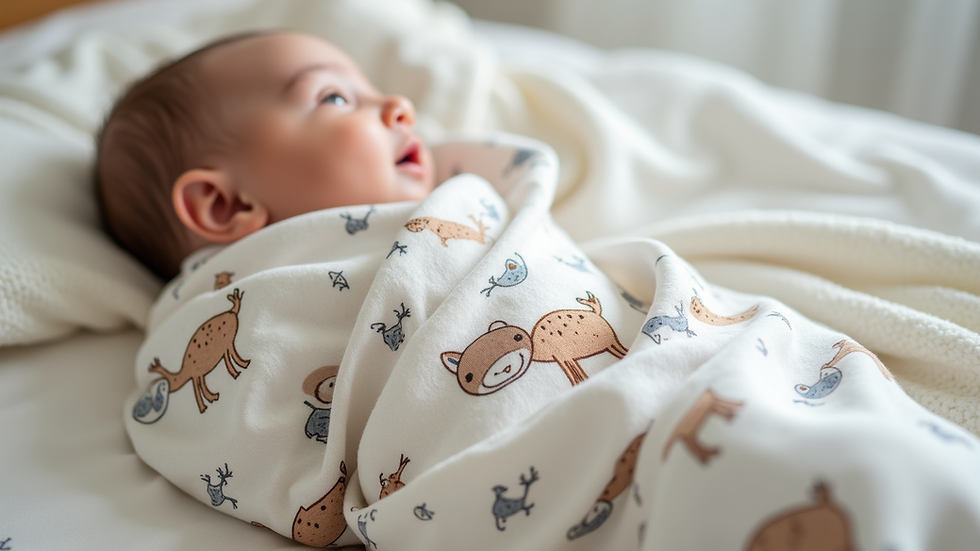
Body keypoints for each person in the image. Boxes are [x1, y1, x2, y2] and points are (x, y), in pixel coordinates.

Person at [95, 30, 436, 280]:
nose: (399, 105)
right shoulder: (270, 318)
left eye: (369, 86)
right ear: (226, 204)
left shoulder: (466, 168)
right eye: (334, 98)